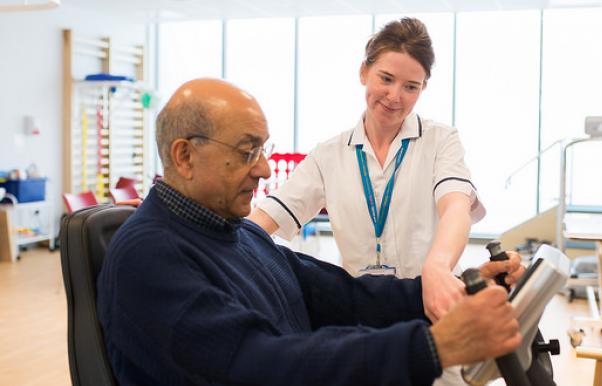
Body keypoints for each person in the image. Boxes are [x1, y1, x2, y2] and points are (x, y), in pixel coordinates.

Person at [97, 78, 525, 386]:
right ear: (185, 156)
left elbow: (345, 295)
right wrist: (431, 348)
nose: (264, 168)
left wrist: (450, 291)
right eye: (248, 152)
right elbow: (255, 362)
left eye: (262, 149)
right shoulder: (148, 257)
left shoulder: (237, 234)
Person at [249, 18, 485, 385]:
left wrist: (437, 268)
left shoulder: (441, 140)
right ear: (364, 72)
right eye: (386, 79)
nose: (395, 97)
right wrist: (194, 225)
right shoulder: (330, 154)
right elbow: (265, 220)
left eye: (411, 86)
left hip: (429, 311)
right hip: (364, 323)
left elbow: (456, 205)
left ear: (423, 88)